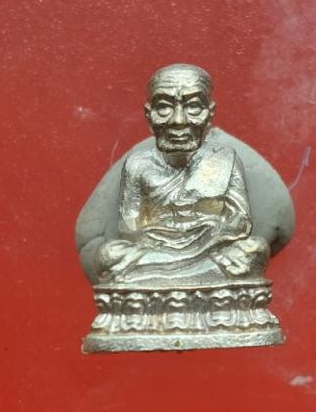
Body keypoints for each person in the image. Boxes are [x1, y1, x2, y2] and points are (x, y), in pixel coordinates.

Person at [95, 64, 269, 287]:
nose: (178, 120)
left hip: (208, 246)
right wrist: (167, 234)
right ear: (149, 115)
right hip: (155, 248)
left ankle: (165, 275)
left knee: (255, 249)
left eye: (193, 107)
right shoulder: (137, 164)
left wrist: (202, 229)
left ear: (209, 114)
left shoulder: (224, 159)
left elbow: (240, 221)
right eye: (164, 107)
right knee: (108, 255)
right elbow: (129, 227)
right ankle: (193, 275)